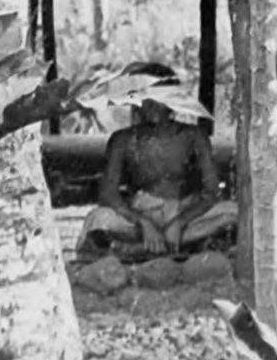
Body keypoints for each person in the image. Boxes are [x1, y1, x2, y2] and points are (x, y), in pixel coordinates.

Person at [80, 65, 235, 258]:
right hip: (140, 215)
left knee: (234, 213)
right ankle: (175, 247)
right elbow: (108, 195)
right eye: (146, 97)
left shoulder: (194, 136)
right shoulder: (122, 140)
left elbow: (212, 192)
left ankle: (140, 250)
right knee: (97, 219)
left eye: (160, 97)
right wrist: (143, 222)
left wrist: (180, 221)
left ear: (173, 101)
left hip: (188, 214)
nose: (152, 104)